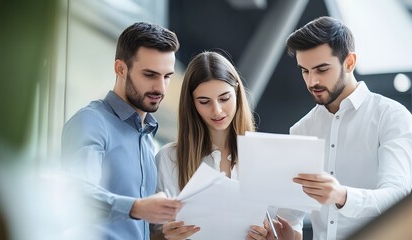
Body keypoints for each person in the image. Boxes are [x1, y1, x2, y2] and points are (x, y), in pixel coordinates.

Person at [269, 16, 412, 240]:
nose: (312, 82)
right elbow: (291, 217)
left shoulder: (391, 116)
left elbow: (397, 197)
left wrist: (342, 196)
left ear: (349, 62)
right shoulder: (302, 130)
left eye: (321, 69)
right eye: (305, 71)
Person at [61, 22, 182, 240]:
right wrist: (135, 207)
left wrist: (162, 234)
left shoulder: (147, 139)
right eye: (150, 74)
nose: (161, 88)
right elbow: (75, 193)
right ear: (120, 68)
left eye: (167, 76)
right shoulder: (91, 121)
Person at [153, 51, 269, 240]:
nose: (217, 110)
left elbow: (285, 226)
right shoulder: (169, 159)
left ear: (238, 93)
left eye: (224, 98)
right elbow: (151, 231)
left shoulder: (262, 158)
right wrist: (163, 236)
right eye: (204, 102)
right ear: (192, 104)